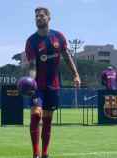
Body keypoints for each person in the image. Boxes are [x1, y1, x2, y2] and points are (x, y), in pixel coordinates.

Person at [24, 7, 81, 158]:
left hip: (53, 85)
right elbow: (32, 66)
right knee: (36, 115)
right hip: (37, 86)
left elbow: (67, 57)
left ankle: (45, 154)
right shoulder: (31, 41)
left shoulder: (58, 37)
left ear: (49, 18)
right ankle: (35, 154)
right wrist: (31, 82)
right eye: (36, 16)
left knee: (48, 120)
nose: (38, 18)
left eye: (41, 16)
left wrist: (76, 75)